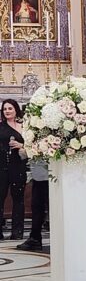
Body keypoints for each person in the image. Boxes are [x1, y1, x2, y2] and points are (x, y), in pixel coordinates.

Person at [0, 99, 27, 240]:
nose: (7, 111)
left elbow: (32, 146)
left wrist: (21, 146)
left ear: (16, 109)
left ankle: (17, 232)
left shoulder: (24, 127)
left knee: (19, 200)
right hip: (2, 167)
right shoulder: (0, 126)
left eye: (10, 108)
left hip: (19, 166)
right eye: (5, 109)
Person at [16, 162, 48, 251]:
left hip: (51, 173)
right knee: (37, 206)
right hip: (40, 173)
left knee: (42, 207)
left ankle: (36, 238)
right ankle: (35, 238)